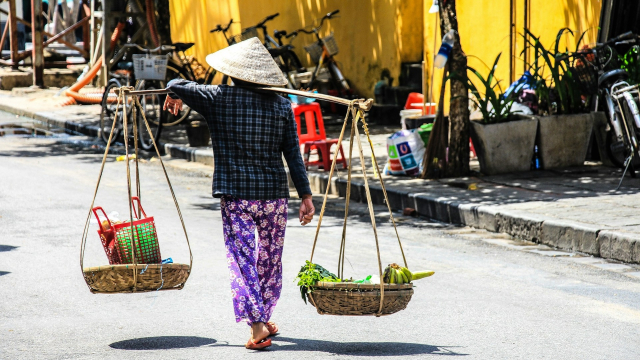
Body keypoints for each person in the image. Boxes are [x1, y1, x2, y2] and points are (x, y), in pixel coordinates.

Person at [163, 38, 315, 350]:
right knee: (270, 259)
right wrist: (306, 196)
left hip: (237, 197)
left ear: (233, 74)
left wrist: (173, 93)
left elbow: (176, 80)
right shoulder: (283, 105)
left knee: (242, 258)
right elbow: (293, 155)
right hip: (273, 196)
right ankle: (264, 315)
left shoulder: (217, 97)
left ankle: (259, 325)